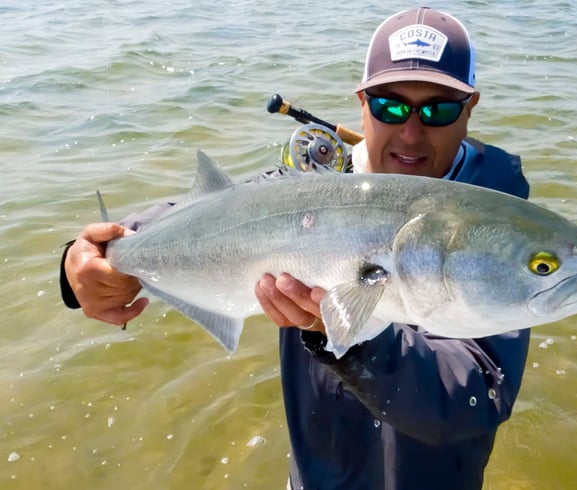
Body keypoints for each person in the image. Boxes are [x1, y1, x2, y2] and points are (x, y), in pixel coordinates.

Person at [61, 7, 531, 490]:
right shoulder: (303, 191)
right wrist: (89, 263)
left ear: (469, 108)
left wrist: (355, 334)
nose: (411, 132)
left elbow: (475, 397)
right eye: (389, 106)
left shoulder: (497, 230)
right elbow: (190, 219)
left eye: (437, 110)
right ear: (362, 102)